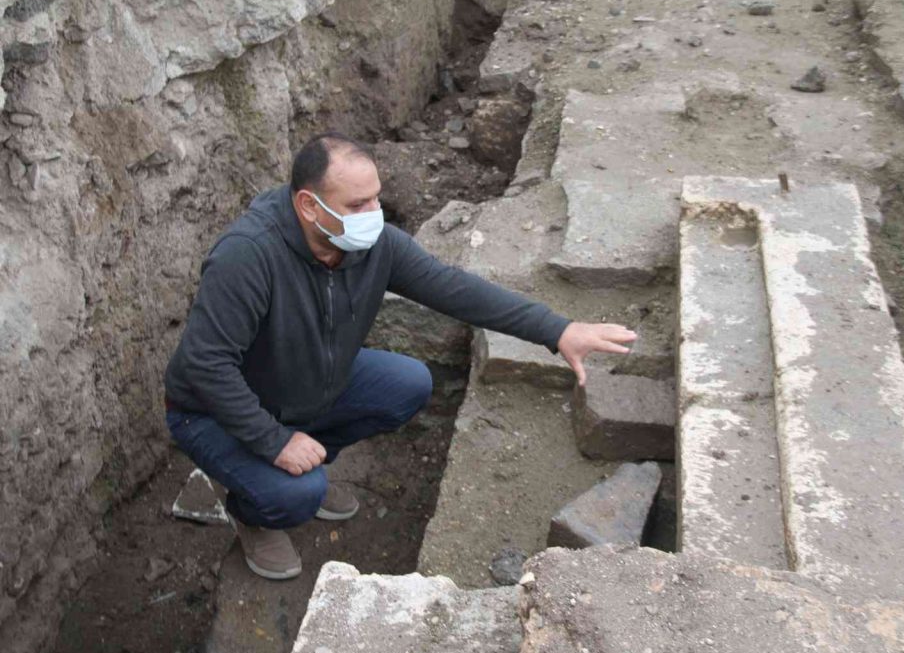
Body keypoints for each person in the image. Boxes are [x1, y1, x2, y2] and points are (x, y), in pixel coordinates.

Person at [163, 131, 636, 580]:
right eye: (358, 204)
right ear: (309, 205)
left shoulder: (371, 245)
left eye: (376, 198)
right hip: (212, 411)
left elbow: (454, 288)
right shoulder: (248, 257)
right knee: (297, 495)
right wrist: (275, 442)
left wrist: (558, 330)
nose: (374, 213)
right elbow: (206, 366)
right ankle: (254, 515)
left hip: (304, 382)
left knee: (407, 383)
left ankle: (308, 461)